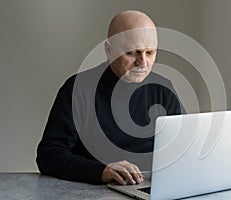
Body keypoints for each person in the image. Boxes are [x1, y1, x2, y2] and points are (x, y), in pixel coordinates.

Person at [36, 10, 184, 185]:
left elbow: (183, 148)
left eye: (150, 52)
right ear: (109, 49)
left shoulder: (164, 88)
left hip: (150, 187)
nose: (143, 62)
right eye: (132, 53)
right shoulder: (78, 89)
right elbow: (49, 155)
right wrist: (102, 171)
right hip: (92, 191)